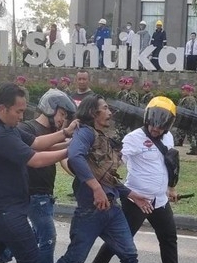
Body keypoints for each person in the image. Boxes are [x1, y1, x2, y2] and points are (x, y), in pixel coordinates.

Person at [0, 83, 77, 263]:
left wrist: (67, 135)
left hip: (5, 207)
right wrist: (72, 151)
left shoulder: (8, 128)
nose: (21, 117)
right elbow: (35, 159)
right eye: (18, 111)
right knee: (31, 258)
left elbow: (36, 142)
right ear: (1, 108)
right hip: (4, 210)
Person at [56, 94, 152, 263]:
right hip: (90, 210)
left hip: (112, 209)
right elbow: (75, 156)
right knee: (74, 259)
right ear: (93, 112)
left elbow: (108, 178)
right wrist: (96, 188)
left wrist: (132, 194)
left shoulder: (102, 137)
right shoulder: (85, 132)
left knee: (129, 256)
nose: (110, 112)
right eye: (105, 108)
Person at [92, 96, 180, 263]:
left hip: (159, 201)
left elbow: (171, 163)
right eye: (152, 124)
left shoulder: (168, 138)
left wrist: (172, 187)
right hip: (136, 200)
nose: (155, 129)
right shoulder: (134, 138)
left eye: (160, 127)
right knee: (118, 241)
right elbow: (116, 162)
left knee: (169, 239)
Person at [115, 78, 140, 142]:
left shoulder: (134, 93)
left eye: (129, 84)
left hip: (130, 115)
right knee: (121, 129)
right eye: (126, 84)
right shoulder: (125, 94)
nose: (127, 86)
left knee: (128, 130)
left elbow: (134, 105)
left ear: (132, 85)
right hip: (124, 114)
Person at [174, 85, 197, 154]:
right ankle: (193, 148)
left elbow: (186, 110)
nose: (182, 92)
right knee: (185, 133)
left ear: (187, 91)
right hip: (186, 119)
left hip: (187, 119)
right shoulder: (186, 98)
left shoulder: (189, 99)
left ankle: (194, 148)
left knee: (190, 134)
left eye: (184, 90)